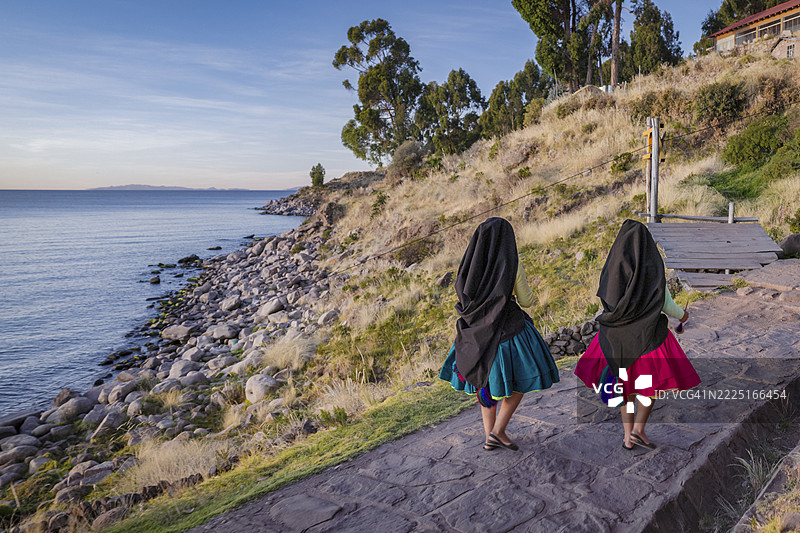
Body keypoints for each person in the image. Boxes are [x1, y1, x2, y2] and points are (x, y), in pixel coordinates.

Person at [574, 219, 701, 450]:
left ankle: (627, 436)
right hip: (647, 342)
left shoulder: (612, 269)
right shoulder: (651, 270)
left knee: (626, 389)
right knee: (646, 389)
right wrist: (683, 316)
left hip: (615, 342)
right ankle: (638, 430)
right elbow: (666, 304)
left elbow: (607, 300)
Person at [439, 217, 560, 451]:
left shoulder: (468, 264)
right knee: (519, 383)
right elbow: (526, 300)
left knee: (485, 384)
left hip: (473, 336)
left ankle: (490, 437)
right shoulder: (510, 263)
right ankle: (498, 431)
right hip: (506, 334)